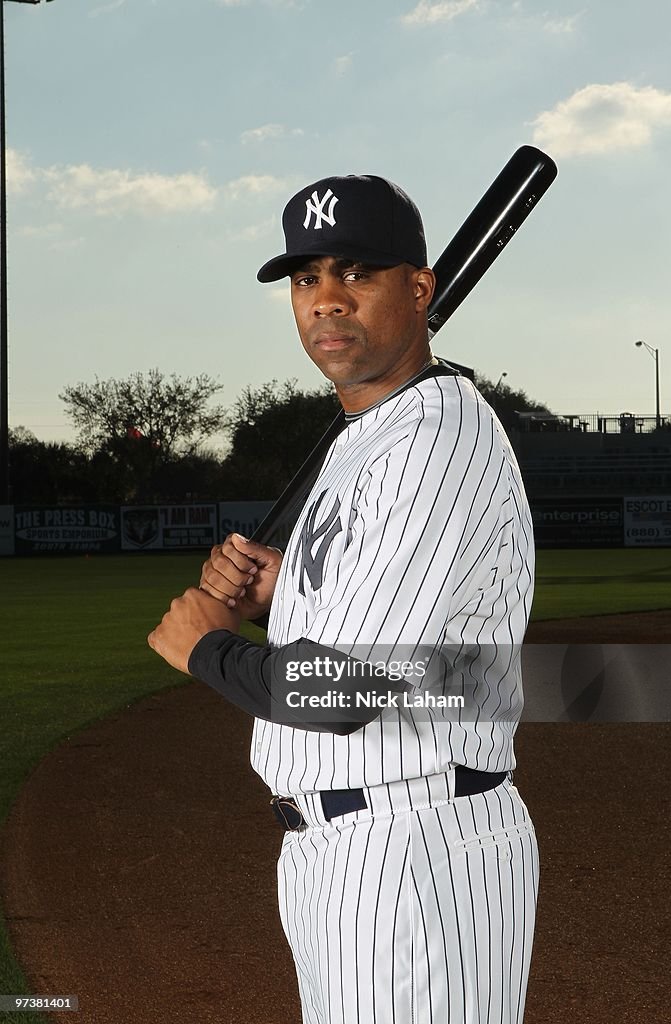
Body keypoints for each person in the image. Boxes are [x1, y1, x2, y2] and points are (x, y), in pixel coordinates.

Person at [148, 174, 539, 1024]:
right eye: (304, 279)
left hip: (412, 846)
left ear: (419, 290)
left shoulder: (432, 439)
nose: (325, 300)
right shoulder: (371, 433)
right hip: (345, 848)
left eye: (355, 273)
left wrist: (207, 645)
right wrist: (282, 587)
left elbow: (345, 692)